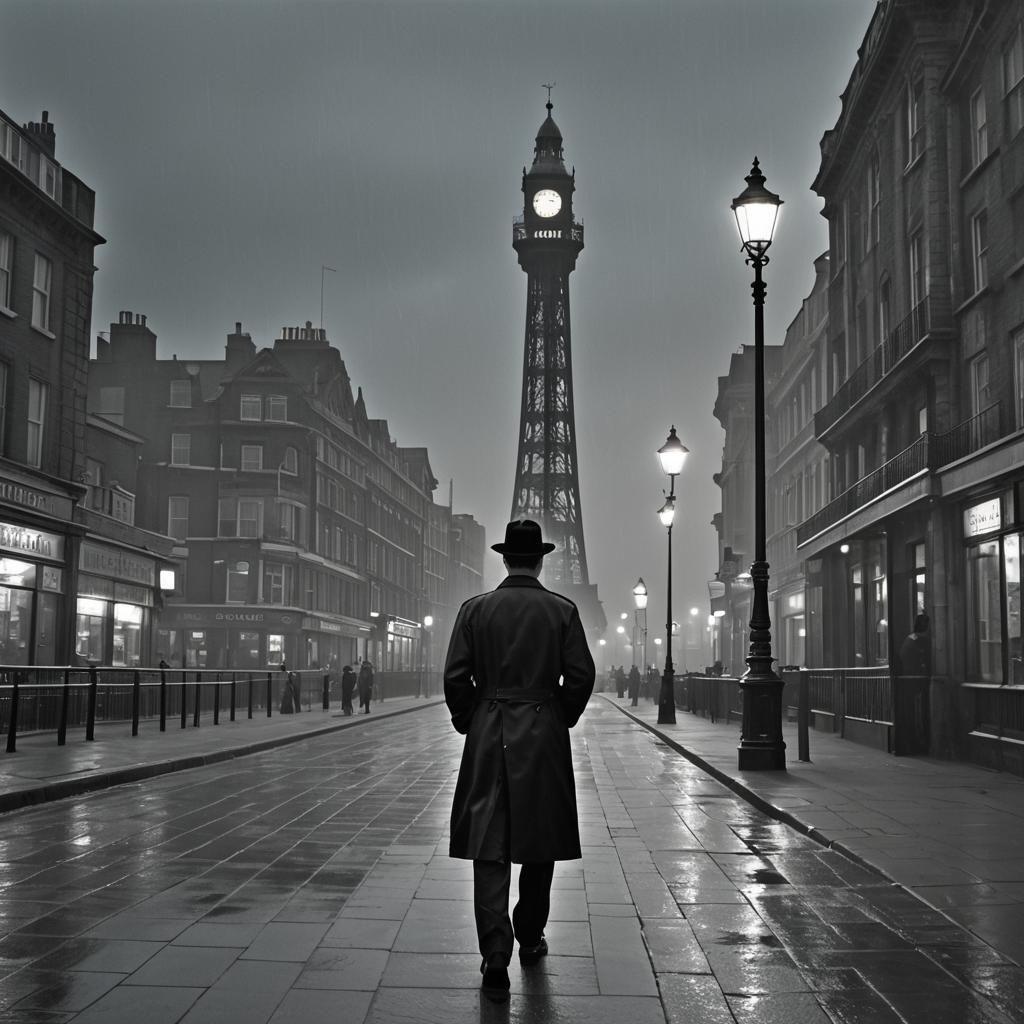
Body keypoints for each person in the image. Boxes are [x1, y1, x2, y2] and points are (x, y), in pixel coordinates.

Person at [444, 519, 595, 1002]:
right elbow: (580, 675)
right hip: (542, 733)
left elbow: (455, 677)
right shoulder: (562, 612)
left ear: (504, 558)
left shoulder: (475, 611)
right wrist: (557, 716)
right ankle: (529, 934)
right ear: (541, 559)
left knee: (489, 844)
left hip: (490, 731)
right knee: (539, 839)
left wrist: (474, 716)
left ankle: (494, 954)